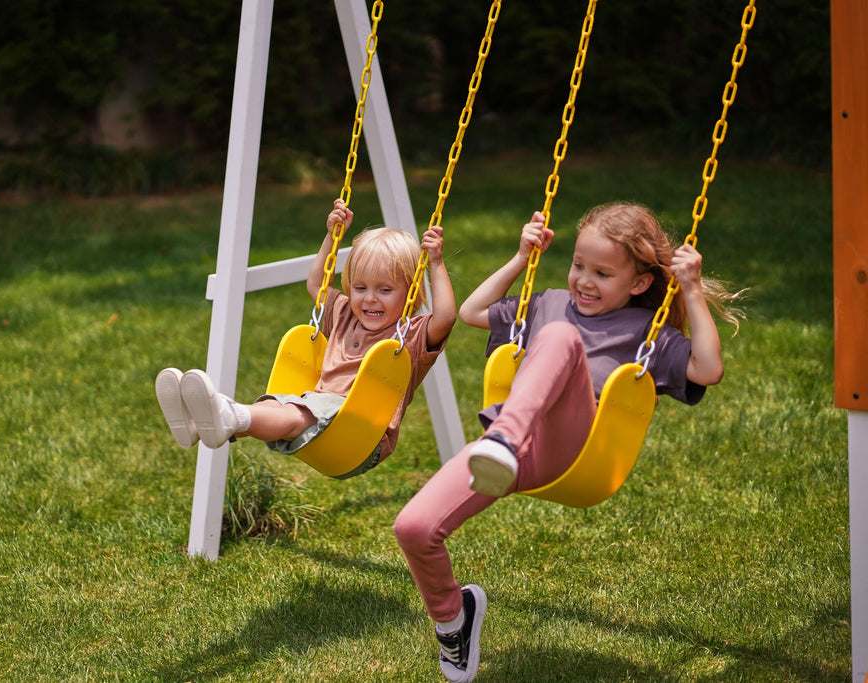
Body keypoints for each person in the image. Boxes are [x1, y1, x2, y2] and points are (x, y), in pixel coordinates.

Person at [393, 202, 742, 682]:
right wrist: (521, 258)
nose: (584, 281)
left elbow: (708, 369)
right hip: (509, 448)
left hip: (575, 449)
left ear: (640, 283)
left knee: (559, 338)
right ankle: (455, 620)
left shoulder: (644, 331)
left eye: (603, 273)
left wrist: (693, 290)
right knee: (413, 527)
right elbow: (472, 312)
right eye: (579, 265)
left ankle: (506, 440)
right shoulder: (549, 302)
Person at [155, 198, 457, 478]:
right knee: (278, 407)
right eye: (360, 288)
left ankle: (228, 413)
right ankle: (202, 422)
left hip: (360, 436)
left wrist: (436, 262)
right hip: (316, 408)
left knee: (294, 414)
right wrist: (332, 237)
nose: (370, 299)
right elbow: (316, 283)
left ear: (411, 291)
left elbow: (445, 318)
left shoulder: (410, 335)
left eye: (385, 290)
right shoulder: (344, 313)